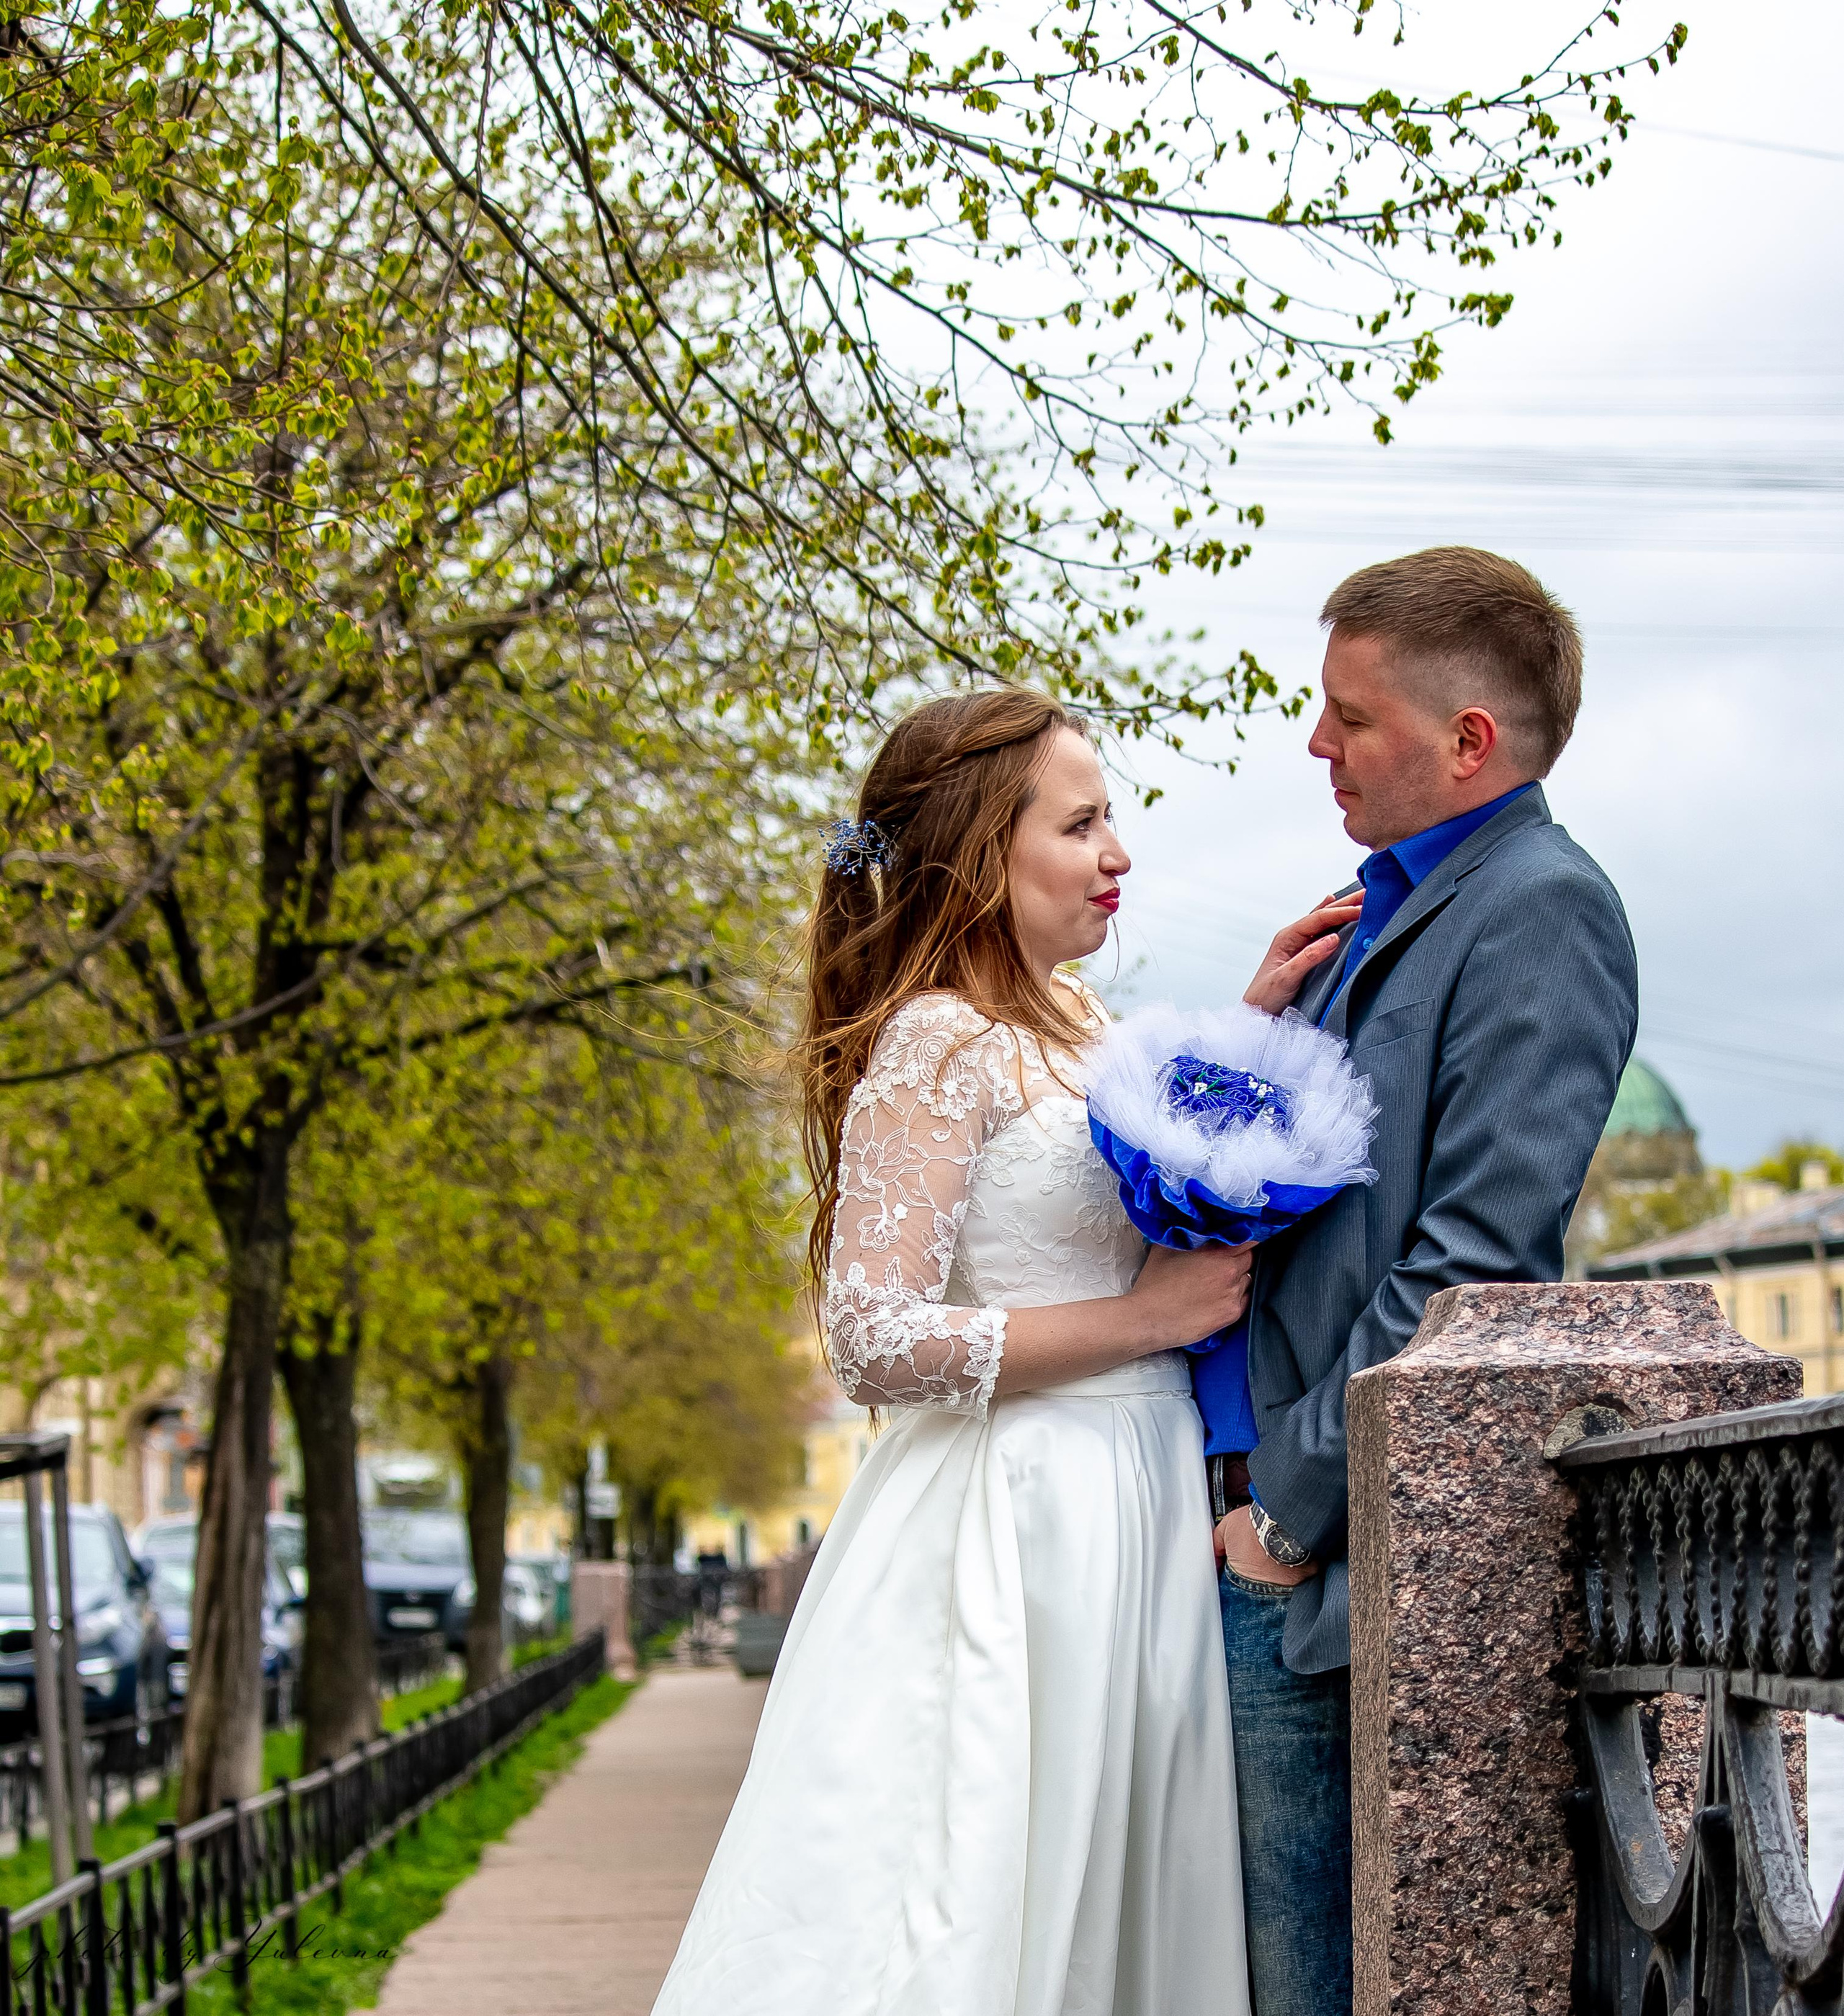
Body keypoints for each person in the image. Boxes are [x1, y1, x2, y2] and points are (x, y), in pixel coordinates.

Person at [650, 689, 1349, 2016]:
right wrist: (1144, 1322)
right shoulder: (936, 1038)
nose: (1118, 855)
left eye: (1112, 823)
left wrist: (1250, 1029)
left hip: (1135, 1505)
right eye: (1082, 825)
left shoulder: (1080, 1024)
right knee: (982, 1888)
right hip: (1018, 1521)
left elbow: (1138, 1184)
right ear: (984, 850)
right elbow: (872, 1335)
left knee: (1119, 1892)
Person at [1206, 547, 1640, 2016]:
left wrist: (1286, 1508)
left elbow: (1472, 1267)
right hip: (1270, 1543)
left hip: (1330, 1572)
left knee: (1312, 1987)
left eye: (1348, 717)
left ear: (1467, 742)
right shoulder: (1374, 903)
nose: (1313, 745)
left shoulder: (1541, 907)